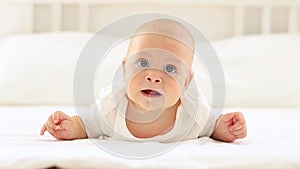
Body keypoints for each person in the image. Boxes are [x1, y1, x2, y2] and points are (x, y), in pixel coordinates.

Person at [40, 19, 247, 143]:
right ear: (124, 69)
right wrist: (67, 127)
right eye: (142, 62)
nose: (154, 76)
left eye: (170, 68)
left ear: (186, 82)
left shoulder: (193, 112)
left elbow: (212, 126)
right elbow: (85, 125)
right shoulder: (111, 106)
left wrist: (227, 128)